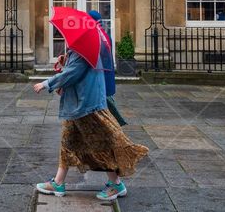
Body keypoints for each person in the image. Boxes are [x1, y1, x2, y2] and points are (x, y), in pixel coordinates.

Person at [33, 40, 148, 202]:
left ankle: (116, 184)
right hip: (78, 104)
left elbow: (72, 73)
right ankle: (58, 182)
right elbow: (78, 67)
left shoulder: (82, 47)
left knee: (101, 144)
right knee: (68, 141)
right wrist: (66, 59)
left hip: (87, 104)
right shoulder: (79, 48)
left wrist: (46, 83)